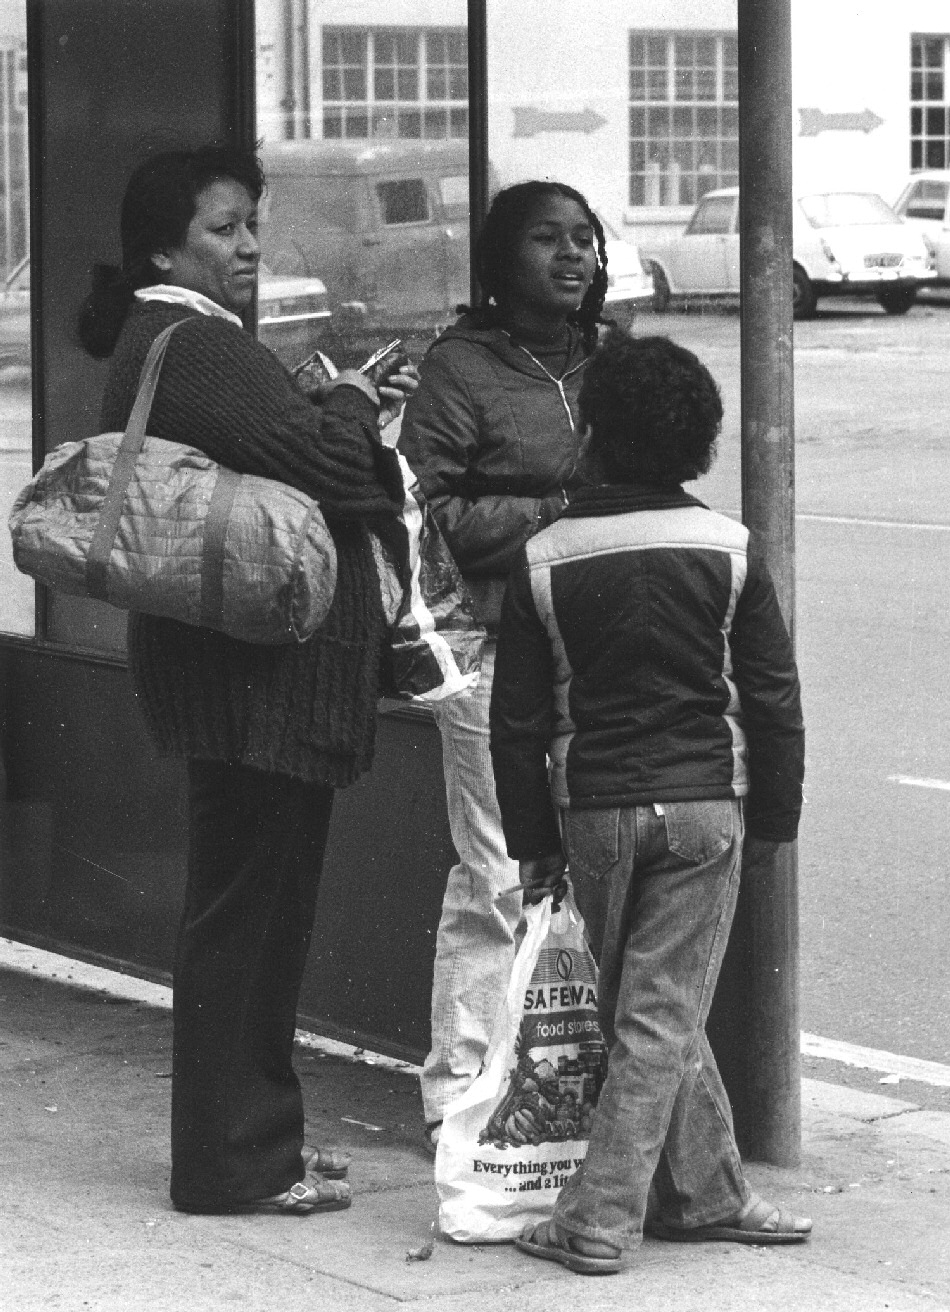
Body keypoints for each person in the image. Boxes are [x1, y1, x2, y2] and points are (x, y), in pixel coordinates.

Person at [77, 144, 415, 1216]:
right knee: (250, 918)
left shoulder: (178, 341)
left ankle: (260, 1145)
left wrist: (328, 415)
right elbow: (333, 471)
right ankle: (234, 1165)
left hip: (237, 679)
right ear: (166, 245)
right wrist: (356, 401)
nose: (250, 246)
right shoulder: (200, 345)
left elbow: (292, 452)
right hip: (252, 685)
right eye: (224, 228)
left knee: (251, 913)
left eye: (252, 225)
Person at [489, 333, 811, 1274]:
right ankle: (603, 1219)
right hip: (707, 806)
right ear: (700, 444)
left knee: (649, 1008)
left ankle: (704, 1192)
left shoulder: (544, 556)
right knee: (658, 1014)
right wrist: (777, 821)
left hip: (595, 814)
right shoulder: (729, 547)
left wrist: (532, 842)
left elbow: (516, 724)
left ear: (590, 432)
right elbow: (774, 700)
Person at [398, 180, 609, 1151]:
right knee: (493, 870)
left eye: (583, 240)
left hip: (586, 644)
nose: (570, 256)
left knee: (577, 867)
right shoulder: (460, 367)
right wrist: (546, 517)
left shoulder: (605, 363)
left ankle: (550, 1083)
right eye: (545, 240)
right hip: (481, 642)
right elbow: (424, 515)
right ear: (498, 260)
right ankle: (455, 1090)